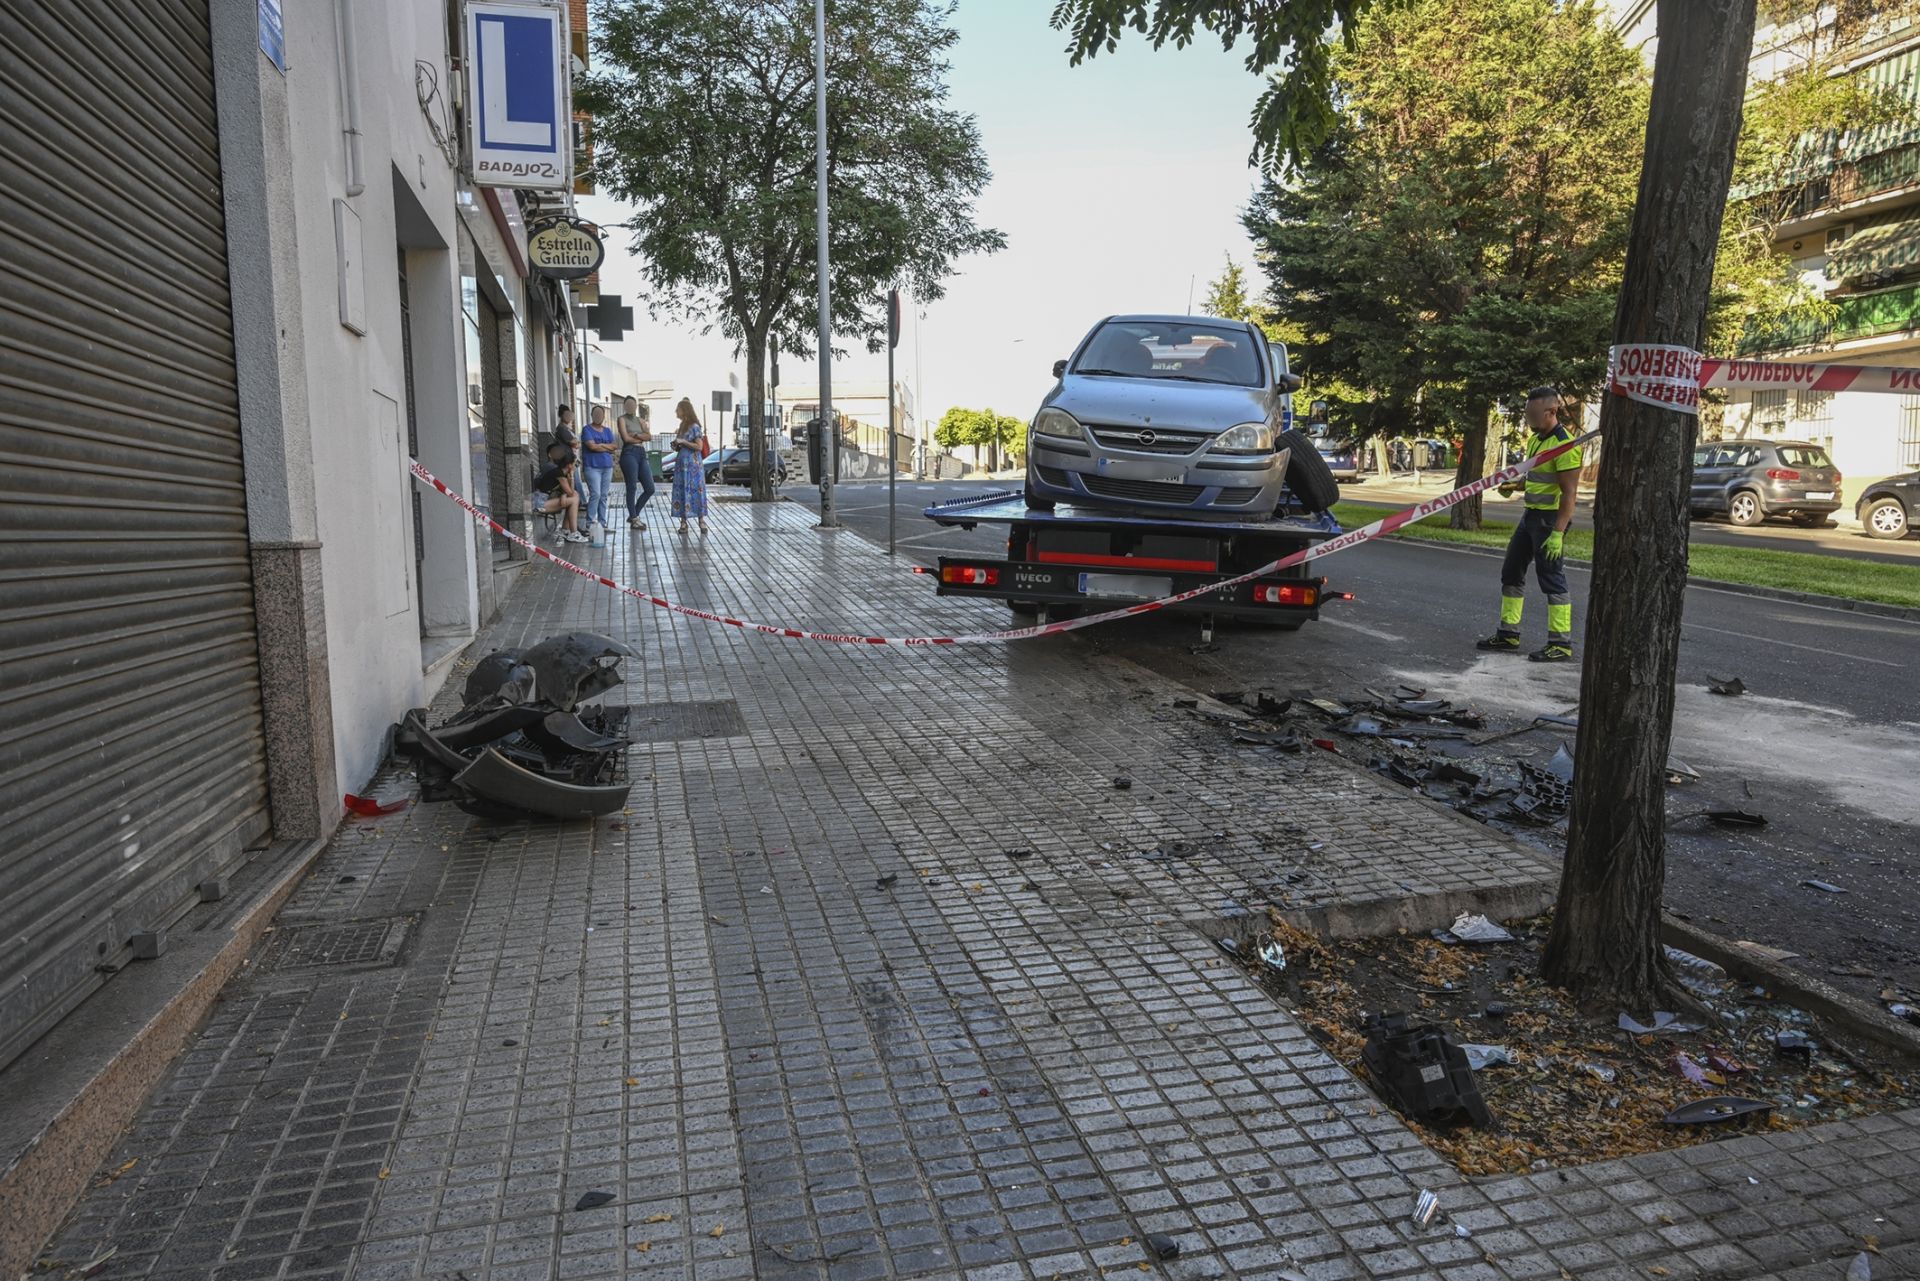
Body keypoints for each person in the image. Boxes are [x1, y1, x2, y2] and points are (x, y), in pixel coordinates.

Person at [1478, 386, 1583, 663]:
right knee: (1511, 571)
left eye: (1534, 415)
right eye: (1527, 414)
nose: (1529, 420)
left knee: (1551, 577)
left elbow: (1570, 493)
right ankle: (1508, 634)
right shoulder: (1536, 440)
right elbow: (1535, 477)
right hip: (1530, 516)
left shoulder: (1565, 445)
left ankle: (1560, 643)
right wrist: (1515, 485)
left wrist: (1558, 532)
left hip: (1549, 521)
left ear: (1552, 411)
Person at [669, 397, 709, 534]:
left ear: (684, 410)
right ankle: (683, 522)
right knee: (682, 491)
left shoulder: (694, 426)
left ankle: (701, 521)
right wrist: (677, 445)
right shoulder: (682, 426)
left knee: (696, 490)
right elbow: (683, 445)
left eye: (678, 409)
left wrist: (683, 442)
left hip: (693, 466)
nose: (676, 411)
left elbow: (699, 446)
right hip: (682, 465)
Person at [533, 450, 589, 543]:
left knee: (575, 496)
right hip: (539, 503)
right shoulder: (559, 474)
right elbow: (570, 493)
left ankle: (565, 530)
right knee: (574, 499)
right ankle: (573, 533)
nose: (576, 466)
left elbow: (570, 492)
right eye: (575, 464)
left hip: (545, 500)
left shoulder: (563, 474)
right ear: (569, 465)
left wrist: (565, 493)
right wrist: (572, 477)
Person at [616, 396, 656, 530]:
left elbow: (649, 436)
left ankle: (634, 514)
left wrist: (637, 435)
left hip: (641, 454)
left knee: (650, 488)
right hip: (629, 453)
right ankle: (634, 519)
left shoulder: (640, 420)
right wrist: (641, 438)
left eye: (632, 404)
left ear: (635, 406)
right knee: (632, 486)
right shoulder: (621, 419)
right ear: (624, 406)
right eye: (627, 404)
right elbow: (626, 439)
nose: (630, 406)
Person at [579, 405, 618, 530]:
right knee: (596, 494)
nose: (598, 416)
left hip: (607, 467)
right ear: (592, 415)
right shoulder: (587, 429)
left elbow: (614, 447)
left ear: (603, 416)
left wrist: (600, 445)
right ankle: (589, 523)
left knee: (604, 496)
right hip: (592, 467)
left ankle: (602, 523)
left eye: (600, 414)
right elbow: (592, 447)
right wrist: (606, 446)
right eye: (596, 413)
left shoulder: (607, 430)